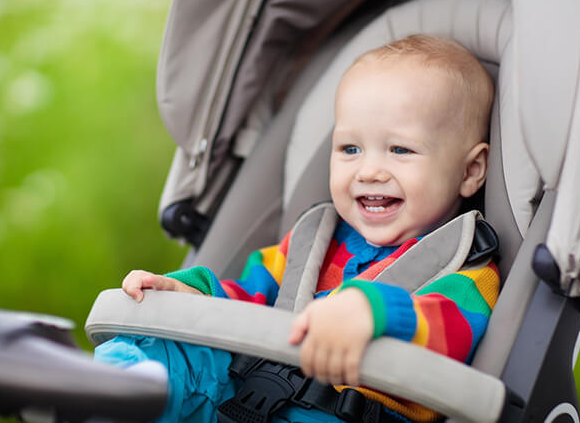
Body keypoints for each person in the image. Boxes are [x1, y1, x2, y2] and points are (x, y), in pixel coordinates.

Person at [95, 34, 498, 423]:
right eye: (350, 149)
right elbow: (245, 302)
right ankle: (107, 397)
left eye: (400, 150)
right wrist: (194, 296)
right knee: (165, 352)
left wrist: (373, 310)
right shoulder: (309, 243)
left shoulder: (465, 272)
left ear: (470, 170)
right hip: (240, 397)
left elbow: (449, 336)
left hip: (344, 413)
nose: (369, 171)